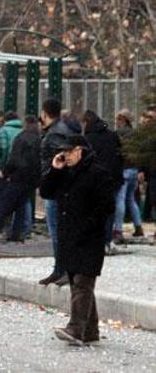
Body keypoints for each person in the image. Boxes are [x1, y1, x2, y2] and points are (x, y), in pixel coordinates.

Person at [40, 135, 115, 346]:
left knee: (83, 281)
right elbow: (46, 192)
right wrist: (54, 169)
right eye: (63, 151)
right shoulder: (66, 172)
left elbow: (107, 206)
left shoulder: (97, 173)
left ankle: (75, 328)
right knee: (77, 280)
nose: (66, 155)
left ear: (80, 150)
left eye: (69, 151)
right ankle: (90, 330)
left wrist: (89, 226)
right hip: (70, 236)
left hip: (89, 236)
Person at [0, 116, 41, 242]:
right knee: (20, 205)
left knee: (3, 204)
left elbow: (14, 159)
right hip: (31, 179)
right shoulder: (38, 139)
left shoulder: (21, 138)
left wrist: (5, 173)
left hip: (18, 176)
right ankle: (17, 234)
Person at [38, 98, 73, 286]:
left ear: (45, 113)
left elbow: (60, 163)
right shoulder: (60, 130)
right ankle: (59, 270)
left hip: (56, 190)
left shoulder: (54, 134)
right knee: (58, 231)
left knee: (58, 231)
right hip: (57, 188)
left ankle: (63, 270)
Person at [81, 110, 124, 250]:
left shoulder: (87, 138)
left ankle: (96, 240)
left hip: (95, 179)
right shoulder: (112, 135)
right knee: (109, 209)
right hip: (113, 178)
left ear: (86, 122)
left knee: (93, 210)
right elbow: (119, 156)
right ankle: (107, 240)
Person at [113, 110, 143, 239]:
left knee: (120, 199)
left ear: (122, 120)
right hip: (134, 170)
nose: (116, 122)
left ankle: (118, 229)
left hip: (124, 169)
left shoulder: (118, 134)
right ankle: (138, 226)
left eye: (117, 120)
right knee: (131, 199)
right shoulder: (136, 134)